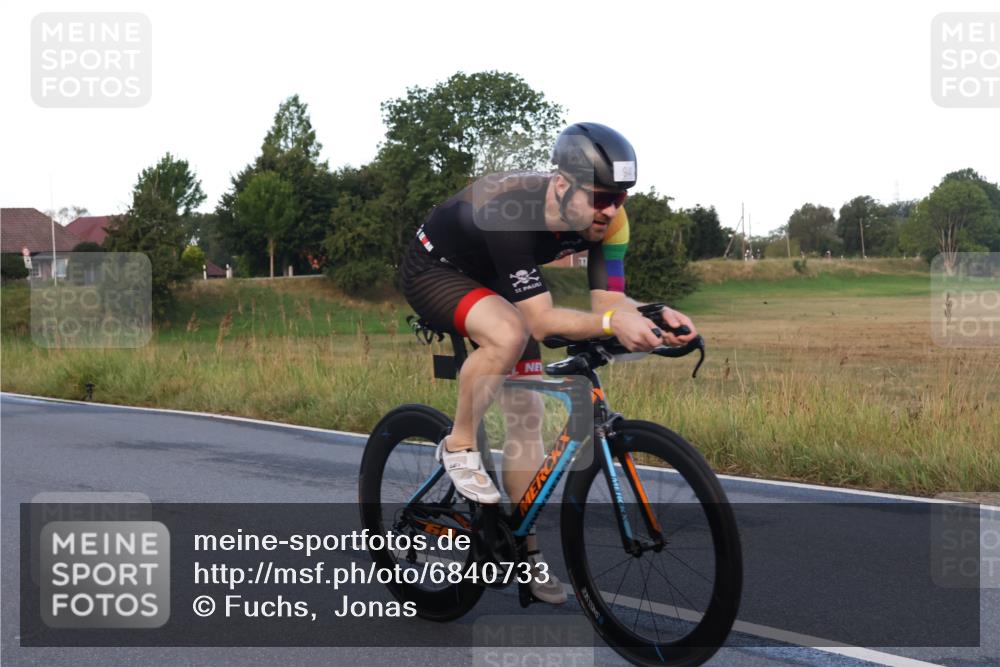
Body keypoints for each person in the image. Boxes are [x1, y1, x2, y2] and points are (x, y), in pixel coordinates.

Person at [399, 122, 699, 603]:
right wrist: (608, 325)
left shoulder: (611, 221)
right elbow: (540, 323)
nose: (611, 210)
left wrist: (654, 314)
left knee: (527, 418)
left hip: (497, 276)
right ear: (563, 185)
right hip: (437, 269)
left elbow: (609, 300)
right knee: (510, 332)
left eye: (621, 198)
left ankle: (525, 553)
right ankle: (458, 446)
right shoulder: (513, 212)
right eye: (601, 197)